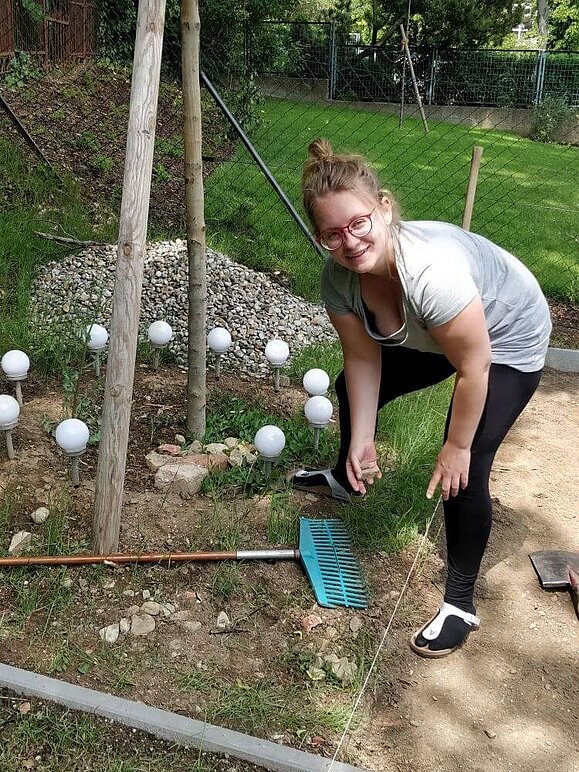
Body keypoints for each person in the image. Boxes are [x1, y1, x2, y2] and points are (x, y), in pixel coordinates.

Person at [291, 138, 551, 658]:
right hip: (438, 333)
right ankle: (348, 476)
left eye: (359, 222)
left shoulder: (430, 273)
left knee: (468, 460)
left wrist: (454, 445)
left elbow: (473, 368)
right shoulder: (339, 279)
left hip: (505, 338)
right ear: (320, 239)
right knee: (349, 388)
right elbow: (364, 360)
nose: (350, 241)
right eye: (331, 234)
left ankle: (460, 604)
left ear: (383, 207)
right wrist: (362, 439)